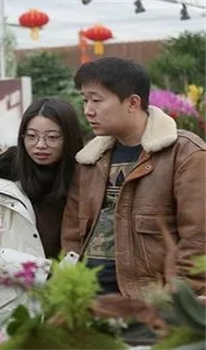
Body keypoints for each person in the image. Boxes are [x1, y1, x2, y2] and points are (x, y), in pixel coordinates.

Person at [61, 57, 206, 298]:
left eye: (96, 100)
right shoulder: (90, 159)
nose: (88, 110)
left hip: (150, 304)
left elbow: (199, 241)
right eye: (85, 100)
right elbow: (72, 237)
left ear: (132, 103)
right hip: (88, 301)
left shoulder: (184, 153)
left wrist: (172, 300)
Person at [0, 98, 84, 317]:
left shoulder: (85, 182)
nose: (40, 145)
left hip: (65, 305)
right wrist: (40, 271)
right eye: (31, 136)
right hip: (5, 308)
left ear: (69, 139)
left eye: (52, 138)